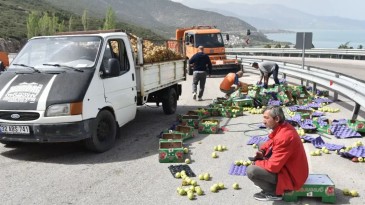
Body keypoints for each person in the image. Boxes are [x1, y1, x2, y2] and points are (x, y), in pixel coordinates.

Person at [246, 105, 309, 201]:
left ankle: (273, 192)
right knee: (261, 144)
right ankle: (269, 183)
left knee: (252, 171)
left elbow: (273, 167)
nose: (263, 121)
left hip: (293, 177)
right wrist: (262, 151)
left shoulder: (284, 137)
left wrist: (257, 162)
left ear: (277, 119)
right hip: (291, 168)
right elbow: (271, 141)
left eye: (266, 118)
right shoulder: (284, 127)